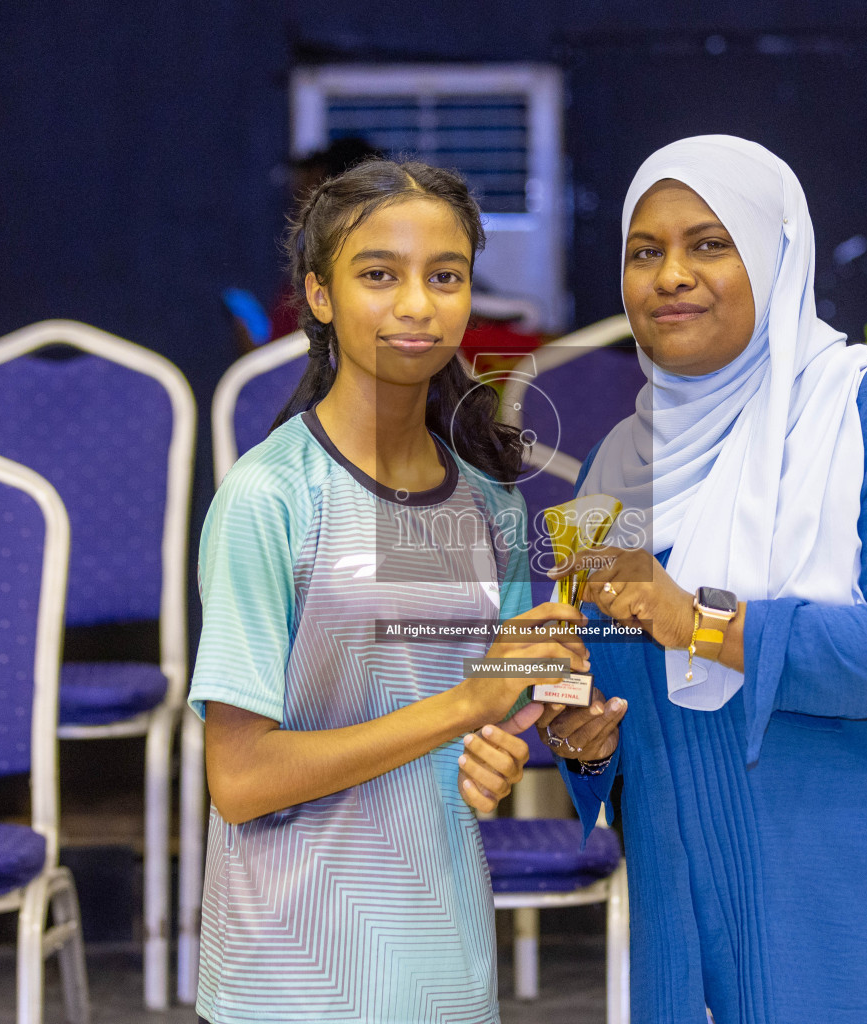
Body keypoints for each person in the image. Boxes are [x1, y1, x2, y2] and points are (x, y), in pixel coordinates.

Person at [538, 135, 867, 1022]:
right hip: (707, 910)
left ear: (778, 259)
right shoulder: (612, 469)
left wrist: (695, 619)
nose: (671, 274)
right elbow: (605, 703)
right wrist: (584, 742)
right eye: (645, 251)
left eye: (710, 244)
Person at [189, 157, 591, 1024]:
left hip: (444, 971)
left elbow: (505, 711)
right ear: (320, 297)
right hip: (290, 979)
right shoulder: (271, 498)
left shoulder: (490, 507)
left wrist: (513, 739)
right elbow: (241, 778)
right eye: (380, 275)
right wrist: (460, 711)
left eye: (444, 276)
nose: (417, 304)